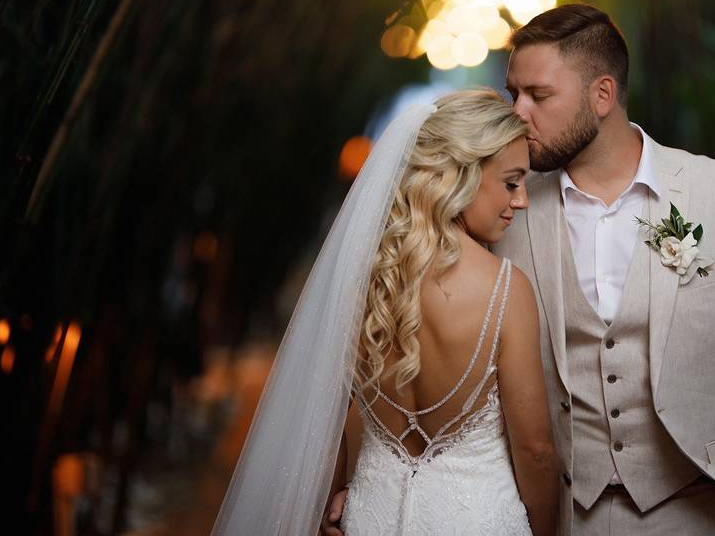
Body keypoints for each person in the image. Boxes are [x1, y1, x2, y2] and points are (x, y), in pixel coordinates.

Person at [493, 3, 715, 535]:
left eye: (539, 95)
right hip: (570, 515)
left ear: (602, 95)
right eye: (514, 94)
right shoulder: (510, 215)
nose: (518, 112)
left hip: (706, 510)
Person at [211, 89, 558, 536]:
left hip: (368, 519)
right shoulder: (506, 289)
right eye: (511, 182)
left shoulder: (363, 279)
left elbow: (323, 421)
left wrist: (327, 500)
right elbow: (535, 451)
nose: (522, 200)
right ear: (459, 175)